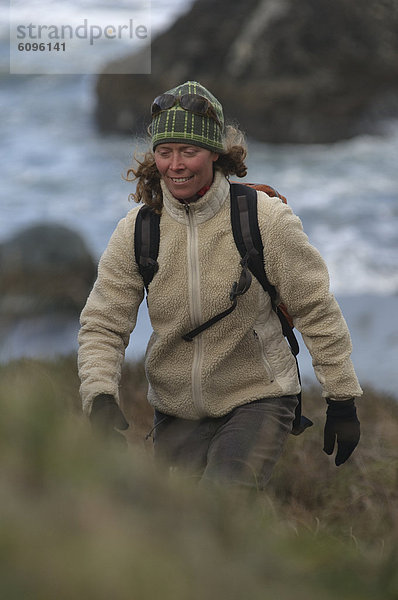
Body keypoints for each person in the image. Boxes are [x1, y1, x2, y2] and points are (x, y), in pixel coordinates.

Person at [78, 81, 362, 490]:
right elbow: (104, 323)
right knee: (189, 535)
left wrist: (342, 397)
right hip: (175, 411)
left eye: (189, 151)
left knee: (222, 502)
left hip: (258, 397)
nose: (175, 164)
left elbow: (315, 307)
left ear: (214, 153)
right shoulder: (137, 232)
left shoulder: (263, 219)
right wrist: (99, 394)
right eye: (165, 151)